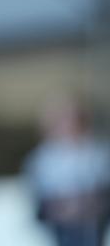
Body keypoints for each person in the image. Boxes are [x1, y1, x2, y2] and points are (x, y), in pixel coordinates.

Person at [24, 95, 110, 246]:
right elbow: (39, 202)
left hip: (94, 224)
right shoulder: (42, 159)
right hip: (63, 228)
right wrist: (65, 209)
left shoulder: (99, 153)